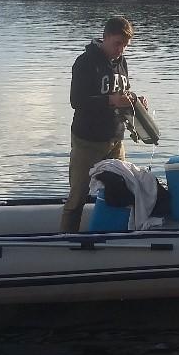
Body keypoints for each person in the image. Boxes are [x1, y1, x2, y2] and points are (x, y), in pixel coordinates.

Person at [60, 16, 145, 232]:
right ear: (105, 37)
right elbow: (76, 101)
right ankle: (66, 242)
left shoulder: (122, 62)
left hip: (115, 140)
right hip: (87, 141)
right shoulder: (85, 62)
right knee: (77, 196)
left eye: (125, 45)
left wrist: (135, 100)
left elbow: (122, 94)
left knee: (123, 189)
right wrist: (110, 100)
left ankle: (113, 235)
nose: (121, 50)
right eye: (117, 43)